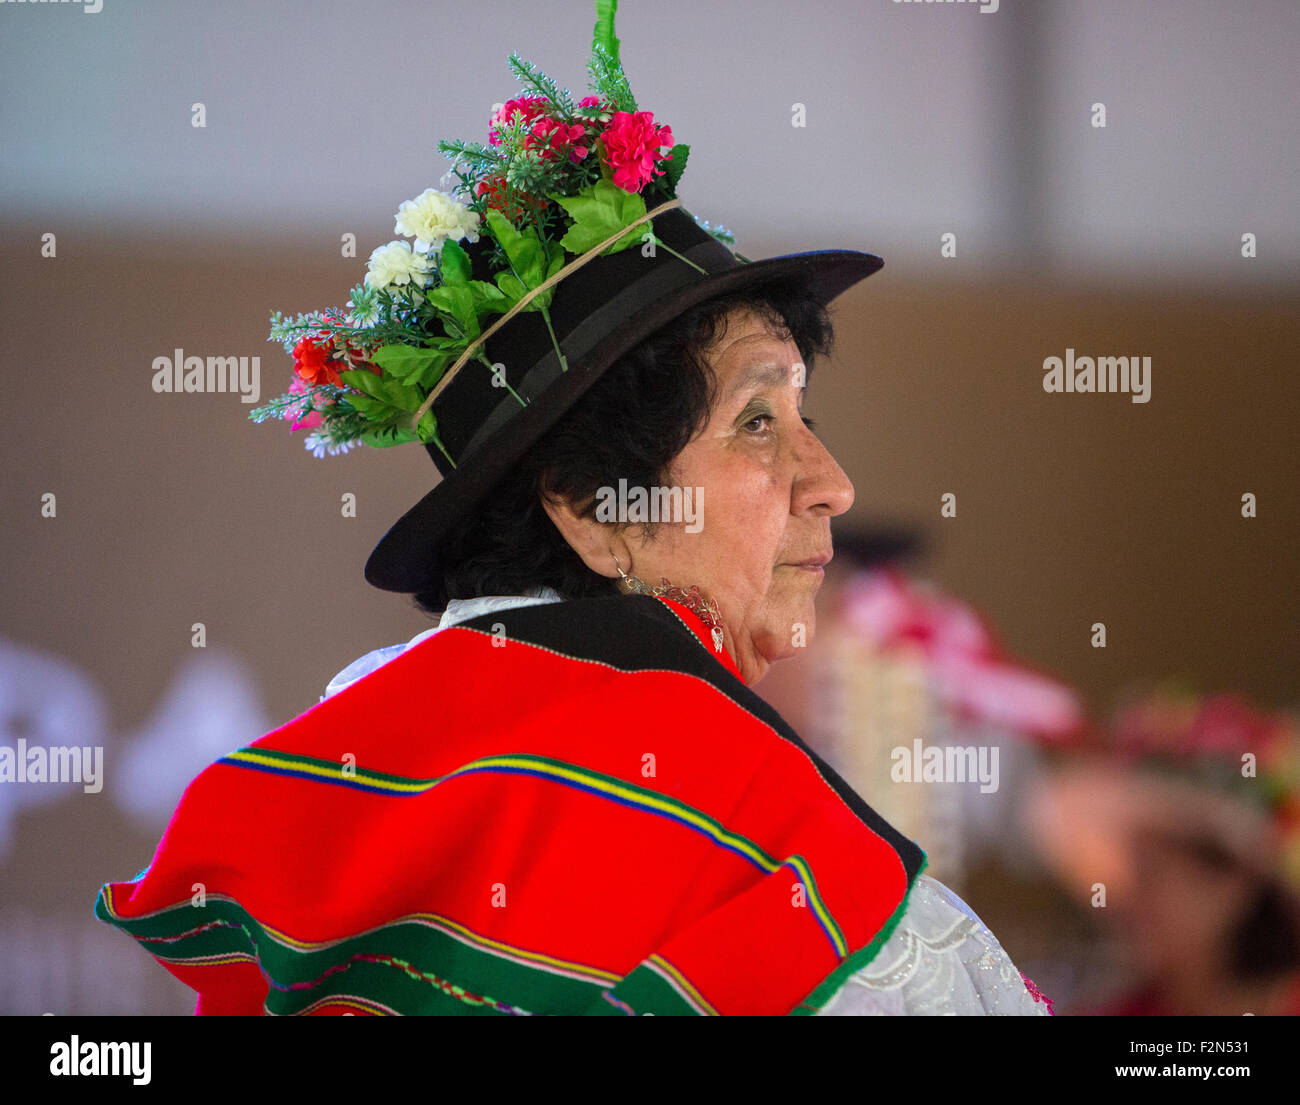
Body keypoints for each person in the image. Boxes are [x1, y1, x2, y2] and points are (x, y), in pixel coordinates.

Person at [93, 1, 1052, 1016]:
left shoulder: (325, 799)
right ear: (592, 511)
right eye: (758, 423)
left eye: (802, 415)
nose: (832, 483)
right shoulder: (775, 846)